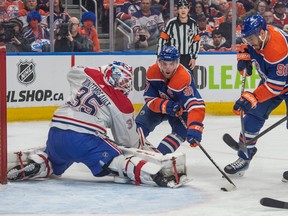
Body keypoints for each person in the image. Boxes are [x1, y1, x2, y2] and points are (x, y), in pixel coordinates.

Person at [7, 61, 188, 188]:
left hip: (56, 131)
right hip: (85, 139)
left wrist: (102, 71)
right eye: (124, 81)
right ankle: (155, 174)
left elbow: (72, 72)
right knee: (119, 157)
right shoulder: (122, 103)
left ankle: (38, 163)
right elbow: (128, 141)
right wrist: (144, 147)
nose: (126, 85)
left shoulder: (90, 75)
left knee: (55, 160)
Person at [224, 15, 288, 177]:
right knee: (253, 116)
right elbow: (245, 48)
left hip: (278, 83)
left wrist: (251, 97)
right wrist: (244, 58)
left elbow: (275, 87)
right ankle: (244, 159)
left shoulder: (277, 49)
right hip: (271, 81)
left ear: (262, 33)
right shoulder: (256, 37)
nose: (249, 41)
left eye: (251, 38)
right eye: (247, 38)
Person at [135, 45, 206, 155]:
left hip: (180, 110)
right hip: (159, 106)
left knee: (180, 132)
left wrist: (194, 126)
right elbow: (149, 98)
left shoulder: (183, 77)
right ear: (159, 62)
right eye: (164, 64)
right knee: (138, 127)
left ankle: (160, 155)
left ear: (177, 63)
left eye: (171, 64)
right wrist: (167, 105)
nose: (167, 68)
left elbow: (196, 105)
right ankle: (131, 147)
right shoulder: (152, 72)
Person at [156, 0, 200, 71]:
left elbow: (196, 41)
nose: (183, 10)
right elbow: (162, 40)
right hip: (172, 57)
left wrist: (194, 57)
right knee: (172, 80)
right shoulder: (171, 23)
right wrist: (159, 56)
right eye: (181, 8)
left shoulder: (193, 23)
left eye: (185, 8)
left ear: (188, 9)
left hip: (187, 58)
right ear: (178, 10)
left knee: (187, 80)